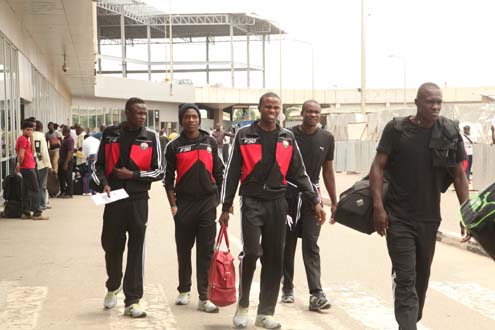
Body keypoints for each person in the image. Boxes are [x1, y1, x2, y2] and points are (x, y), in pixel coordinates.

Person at [219, 92, 325, 329]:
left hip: (278, 203)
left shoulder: (287, 137)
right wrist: (226, 206)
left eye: (276, 107)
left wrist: (315, 201)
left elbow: (300, 173)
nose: (272, 110)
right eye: (267, 106)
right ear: (259, 108)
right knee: (252, 252)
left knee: (275, 258)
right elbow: (232, 170)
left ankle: (265, 312)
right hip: (252, 202)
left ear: (281, 110)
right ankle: (243, 306)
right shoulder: (244, 135)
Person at [369, 82, 470, 330]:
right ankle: (407, 325)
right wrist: (378, 207)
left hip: (428, 218)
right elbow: (378, 167)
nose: (435, 106)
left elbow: (459, 175)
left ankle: (411, 319)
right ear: (417, 102)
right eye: (429, 102)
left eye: (439, 102)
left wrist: (466, 212)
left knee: (421, 278)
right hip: (398, 217)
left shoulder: (448, 131)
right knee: (406, 278)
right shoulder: (397, 129)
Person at [93, 97, 163, 318]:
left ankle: (133, 300)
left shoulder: (151, 137)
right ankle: (113, 284)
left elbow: (159, 171)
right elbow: (98, 166)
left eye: (144, 113)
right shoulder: (110, 134)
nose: (142, 116)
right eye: (138, 113)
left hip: (138, 200)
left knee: (136, 249)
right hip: (113, 199)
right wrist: (103, 183)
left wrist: (133, 175)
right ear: (127, 113)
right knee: (111, 245)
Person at [164, 103, 224, 313]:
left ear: (199, 119)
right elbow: (168, 179)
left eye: (195, 117)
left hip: (207, 204)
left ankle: (204, 297)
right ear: (182, 120)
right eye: (187, 117)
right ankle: (184, 289)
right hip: (184, 205)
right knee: (184, 250)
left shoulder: (210, 142)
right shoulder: (174, 146)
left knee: (206, 251)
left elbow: (219, 172)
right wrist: (173, 205)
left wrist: (217, 199)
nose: (191, 120)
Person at [281, 100, 337, 311]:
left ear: (320, 116)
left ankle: (316, 293)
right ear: (302, 114)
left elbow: (328, 171)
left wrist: (334, 201)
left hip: (314, 197)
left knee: (311, 245)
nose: (313, 115)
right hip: (289, 196)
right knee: (288, 244)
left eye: (316, 112)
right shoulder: (288, 135)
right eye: (309, 112)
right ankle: (287, 287)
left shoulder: (327, 138)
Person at [15, 120, 48, 220]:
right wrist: (18, 165)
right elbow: (21, 155)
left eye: (31, 130)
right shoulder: (23, 140)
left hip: (28, 167)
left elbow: (33, 151)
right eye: (27, 130)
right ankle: (37, 213)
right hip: (27, 167)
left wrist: (32, 137)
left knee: (25, 190)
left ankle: (26, 212)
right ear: (23, 130)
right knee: (35, 189)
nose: (30, 132)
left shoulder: (27, 139)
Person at [33, 120, 52, 210]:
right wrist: (49, 165)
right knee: (42, 185)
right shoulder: (41, 136)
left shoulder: (30, 136)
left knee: (36, 185)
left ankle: (37, 204)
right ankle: (42, 204)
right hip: (42, 164)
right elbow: (44, 151)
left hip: (33, 163)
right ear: (41, 128)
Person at [58, 126, 74, 198]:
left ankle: (69, 193)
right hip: (62, 161)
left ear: (65, 131)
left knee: (68, 177)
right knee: (61, 176)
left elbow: (70, 152)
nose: (61, 131)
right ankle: (63, 191)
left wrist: (66, 163)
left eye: (62, 130)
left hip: (67, 161)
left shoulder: (70, 140)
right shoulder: (65, 138)